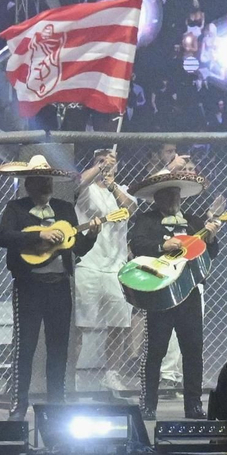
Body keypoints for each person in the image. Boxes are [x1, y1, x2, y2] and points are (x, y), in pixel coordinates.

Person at [0, 155, 98, 420]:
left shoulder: (64, 209)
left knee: (59, 347)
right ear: (29, 183)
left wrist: (93, 234)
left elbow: (78, 247)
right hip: (29, 286)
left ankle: (57, 404)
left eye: (48, 181)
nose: (46, 186)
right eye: (40, 181)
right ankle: (19, 404)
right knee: (25, 346)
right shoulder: (16, 208)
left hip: (59, 287)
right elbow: (4, 237)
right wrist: (38, 234)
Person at [127, 166, 222, 419]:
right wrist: (162, 245)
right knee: (155, 351)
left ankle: (193, 405)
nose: (173, 200)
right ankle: (148, 405)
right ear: (157, 198)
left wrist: (211, 239)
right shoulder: (146, 220)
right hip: (160, 295)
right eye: (167, 195)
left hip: (189, 293)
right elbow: (137, 245)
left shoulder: (194, 222)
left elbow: (210, 255)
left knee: (193, 350)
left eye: (176, 195)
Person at [72, 147, 139, 394]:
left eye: (111, 163)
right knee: (81, 325)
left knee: (119, 325)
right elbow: (78, 182)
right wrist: (99, 167)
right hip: (89, 264)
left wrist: (112, 186)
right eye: (101, 161)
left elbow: (131, 209)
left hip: (115, 267)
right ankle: (73, 374)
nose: (107, 166)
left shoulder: (124, 191)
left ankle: (111, 374)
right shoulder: (86, 191)